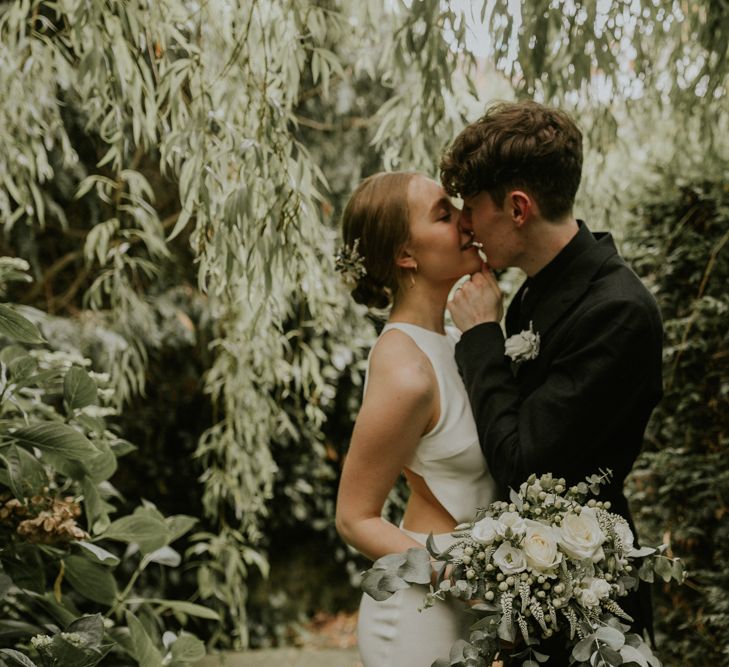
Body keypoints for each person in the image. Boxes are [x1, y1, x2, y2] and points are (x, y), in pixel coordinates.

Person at [442, 100, 662, 664]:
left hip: (591, 598)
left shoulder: (618, 311)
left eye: (473, 209)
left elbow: (526, 465)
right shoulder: (533, 294)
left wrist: (483, 338)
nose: (466, 225)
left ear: (518, 208)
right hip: (531, 586)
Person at [334, 171, 499, 667]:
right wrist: (458, 576)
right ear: (406, 255)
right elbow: (354, 518)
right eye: (444, 216)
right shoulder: (406, 371)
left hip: (472, 603)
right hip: (418, 614)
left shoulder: (454, 340)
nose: (467, 223)